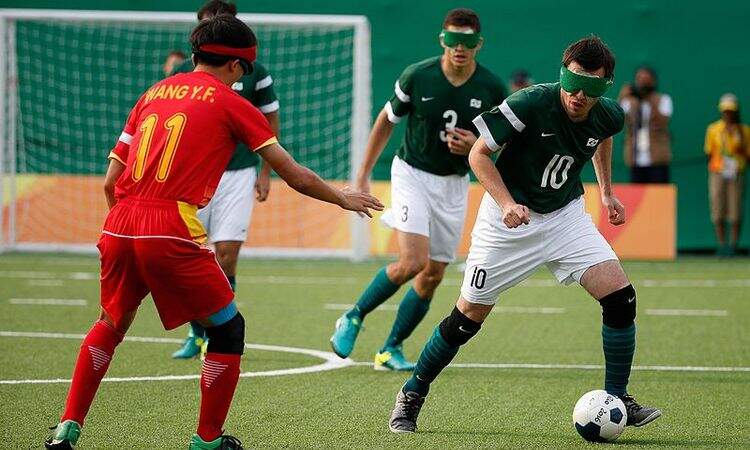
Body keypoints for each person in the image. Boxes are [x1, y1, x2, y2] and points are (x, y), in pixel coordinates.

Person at [44, 15, 382, 450]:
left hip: (119, 222)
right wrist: (341, 198)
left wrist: (129, 231)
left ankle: (67, 429)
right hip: (169, 228)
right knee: (227, 328)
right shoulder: (232, 103)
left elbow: (111, 180)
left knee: (110, 323)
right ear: (239, 67)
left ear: (196, 54)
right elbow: (293, 174)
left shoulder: (152, 94)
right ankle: (207, 440)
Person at [388, 36, 661, 434]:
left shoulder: (608, 113)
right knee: (467, 318)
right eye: (573, 82)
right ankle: (412, 393)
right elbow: (477, 154)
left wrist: (605, 191)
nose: (578, 95)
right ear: (562, 74)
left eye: (591, 88)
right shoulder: (531, 102)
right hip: (508, 224)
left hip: (565, 216)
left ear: (605, 87)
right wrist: (505, 204)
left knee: (621, 298)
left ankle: (618, 397)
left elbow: (604, 135)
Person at [329, 8, 507, 371]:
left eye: (468, 42)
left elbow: (501, 140)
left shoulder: (491, 87)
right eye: (453, 40)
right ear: (442, 40)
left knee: (434, 274)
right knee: (413, 262)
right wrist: (362, 173)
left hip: (455, 184)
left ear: (479, 44)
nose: (460, 48)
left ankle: (389, 348)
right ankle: (353, 316)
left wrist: (476, 143)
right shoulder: (418, 75)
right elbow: (385, 121)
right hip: (412, 173)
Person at [169, 0, 281, 360]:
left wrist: (266, 171)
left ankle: (217, 333)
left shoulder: (253, 71)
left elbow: (269, 121)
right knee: (190, 256)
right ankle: (195, 332)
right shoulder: (181, 80)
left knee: (227, 254)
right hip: (193, 178)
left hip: (237, 174)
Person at [704, 93, 750, 256]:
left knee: (735, 210)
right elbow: (709, 152)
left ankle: (733, 246)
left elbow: (747, 154)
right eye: (726, 111)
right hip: (718, 172)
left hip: (737, 172)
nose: (728, 114)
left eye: (731, 111)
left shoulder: (744, 131)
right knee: (717, 209)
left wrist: (739, 141)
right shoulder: (714, 129)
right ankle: (721, 245)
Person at [619, 66, 673, 183]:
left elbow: (662, 121)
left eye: (646, 80)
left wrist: (650, 99)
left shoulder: (662, 99)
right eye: (640, 79)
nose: (642, 84)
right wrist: (623, 97)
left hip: (657, 158)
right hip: (635, 157)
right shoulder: (631, 101)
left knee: (659, 194)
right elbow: (619, 118)